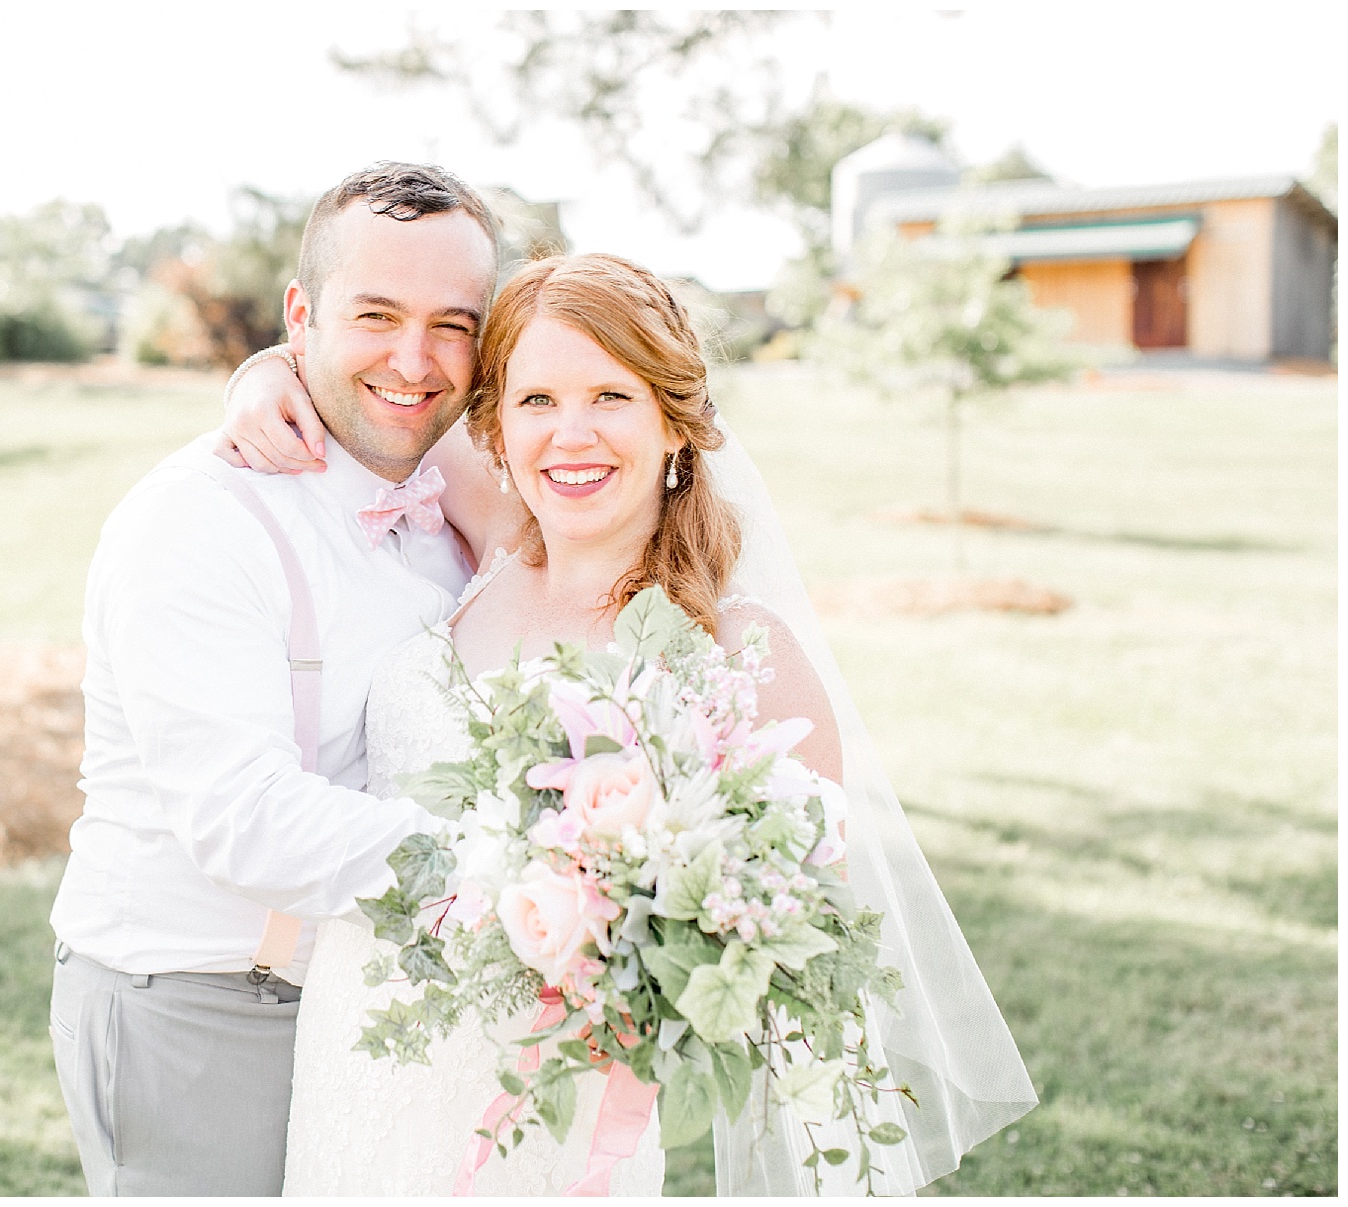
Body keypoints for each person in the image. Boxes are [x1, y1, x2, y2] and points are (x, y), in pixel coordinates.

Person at [221, 254, 1037, 1194]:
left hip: (548, 1116)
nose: (570, 436)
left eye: (611, 394)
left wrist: (635, 936)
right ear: (496, 426)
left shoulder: (738, 652)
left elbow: (794, 943)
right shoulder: (488, 535)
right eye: (535, 401)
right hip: (356, 1067)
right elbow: (374, 391)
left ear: (675, 426)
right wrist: (261, 375)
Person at [45, 162, 503, 1196]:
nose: (413, 359)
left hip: (376, 997)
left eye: (452, 325)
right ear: (301, 316)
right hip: (204, 1000)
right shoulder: (199, 521)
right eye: (375, 315)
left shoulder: (461, 493)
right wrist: (522, 874)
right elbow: (240, 817)